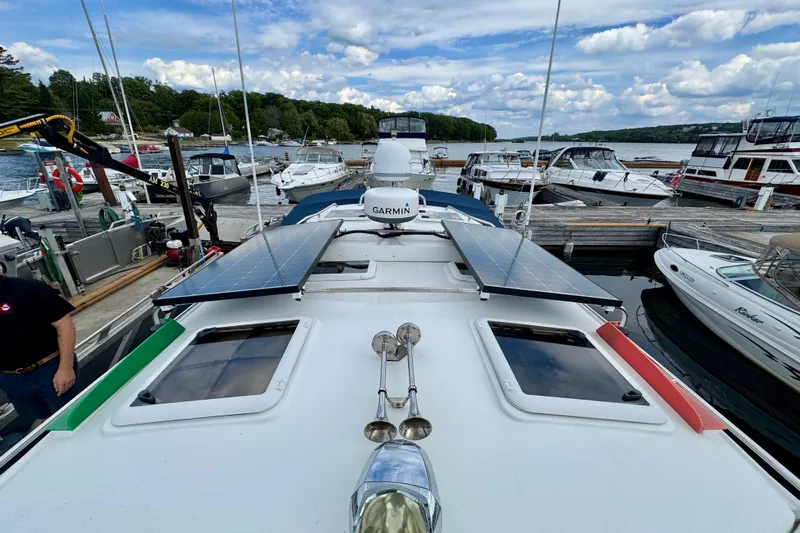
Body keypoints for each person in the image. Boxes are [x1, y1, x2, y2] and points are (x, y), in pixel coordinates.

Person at [0, 275, 78, 427]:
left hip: (49, 370)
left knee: (70, 422)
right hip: (10, 380)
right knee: (38, 427)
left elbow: (65, 325)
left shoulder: (27, 287)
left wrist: (65, 368)